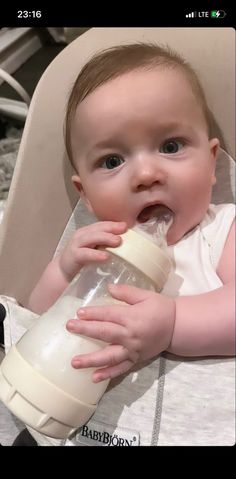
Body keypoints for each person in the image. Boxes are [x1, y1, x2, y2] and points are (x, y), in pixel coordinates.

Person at [15, 43, 235, 445]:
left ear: (212, 163)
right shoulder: (96, 249)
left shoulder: (220, 232)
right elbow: (37, 320)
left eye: (170, 146)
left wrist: (172, 324)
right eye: (113, 161)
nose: (146, 173)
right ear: (86, 195)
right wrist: (62, 270)